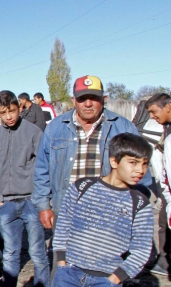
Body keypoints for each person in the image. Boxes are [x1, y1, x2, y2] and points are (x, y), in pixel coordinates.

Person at [42, 133, 154, 287]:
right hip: (70, 275)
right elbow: (62, 228)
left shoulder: (139, 202)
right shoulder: (83, 187)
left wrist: (117, 278)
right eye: (133, 163)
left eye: (144, 164)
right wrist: (61, 262)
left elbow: (142, 249)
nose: (140, 170)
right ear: (114, 161)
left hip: (106, 282)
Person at [33, 75, 152, 233]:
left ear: (104, 99)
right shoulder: (55, 128)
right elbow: (42, 170)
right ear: (73, 100)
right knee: (65, 257)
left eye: (94, 98)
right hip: (67, 213)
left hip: (110, 216)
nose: (88, 104)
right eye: (82, 99)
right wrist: (43, 206)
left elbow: (142, 176)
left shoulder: (124, 128)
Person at [0, 90, 51, 287]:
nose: (9, 116)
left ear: (19, 108)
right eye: (3, 113)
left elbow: (43, 166)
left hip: (32, 200)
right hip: (8, 205)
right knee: (11, 254)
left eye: (12, 111)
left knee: (38, 252)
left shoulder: (34, 132)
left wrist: (42, 200)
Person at [147, 93, 171, 275]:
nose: (152, 116)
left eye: (153, 111)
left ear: (168, 106)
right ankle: (167, 262)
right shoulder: (169, 127)